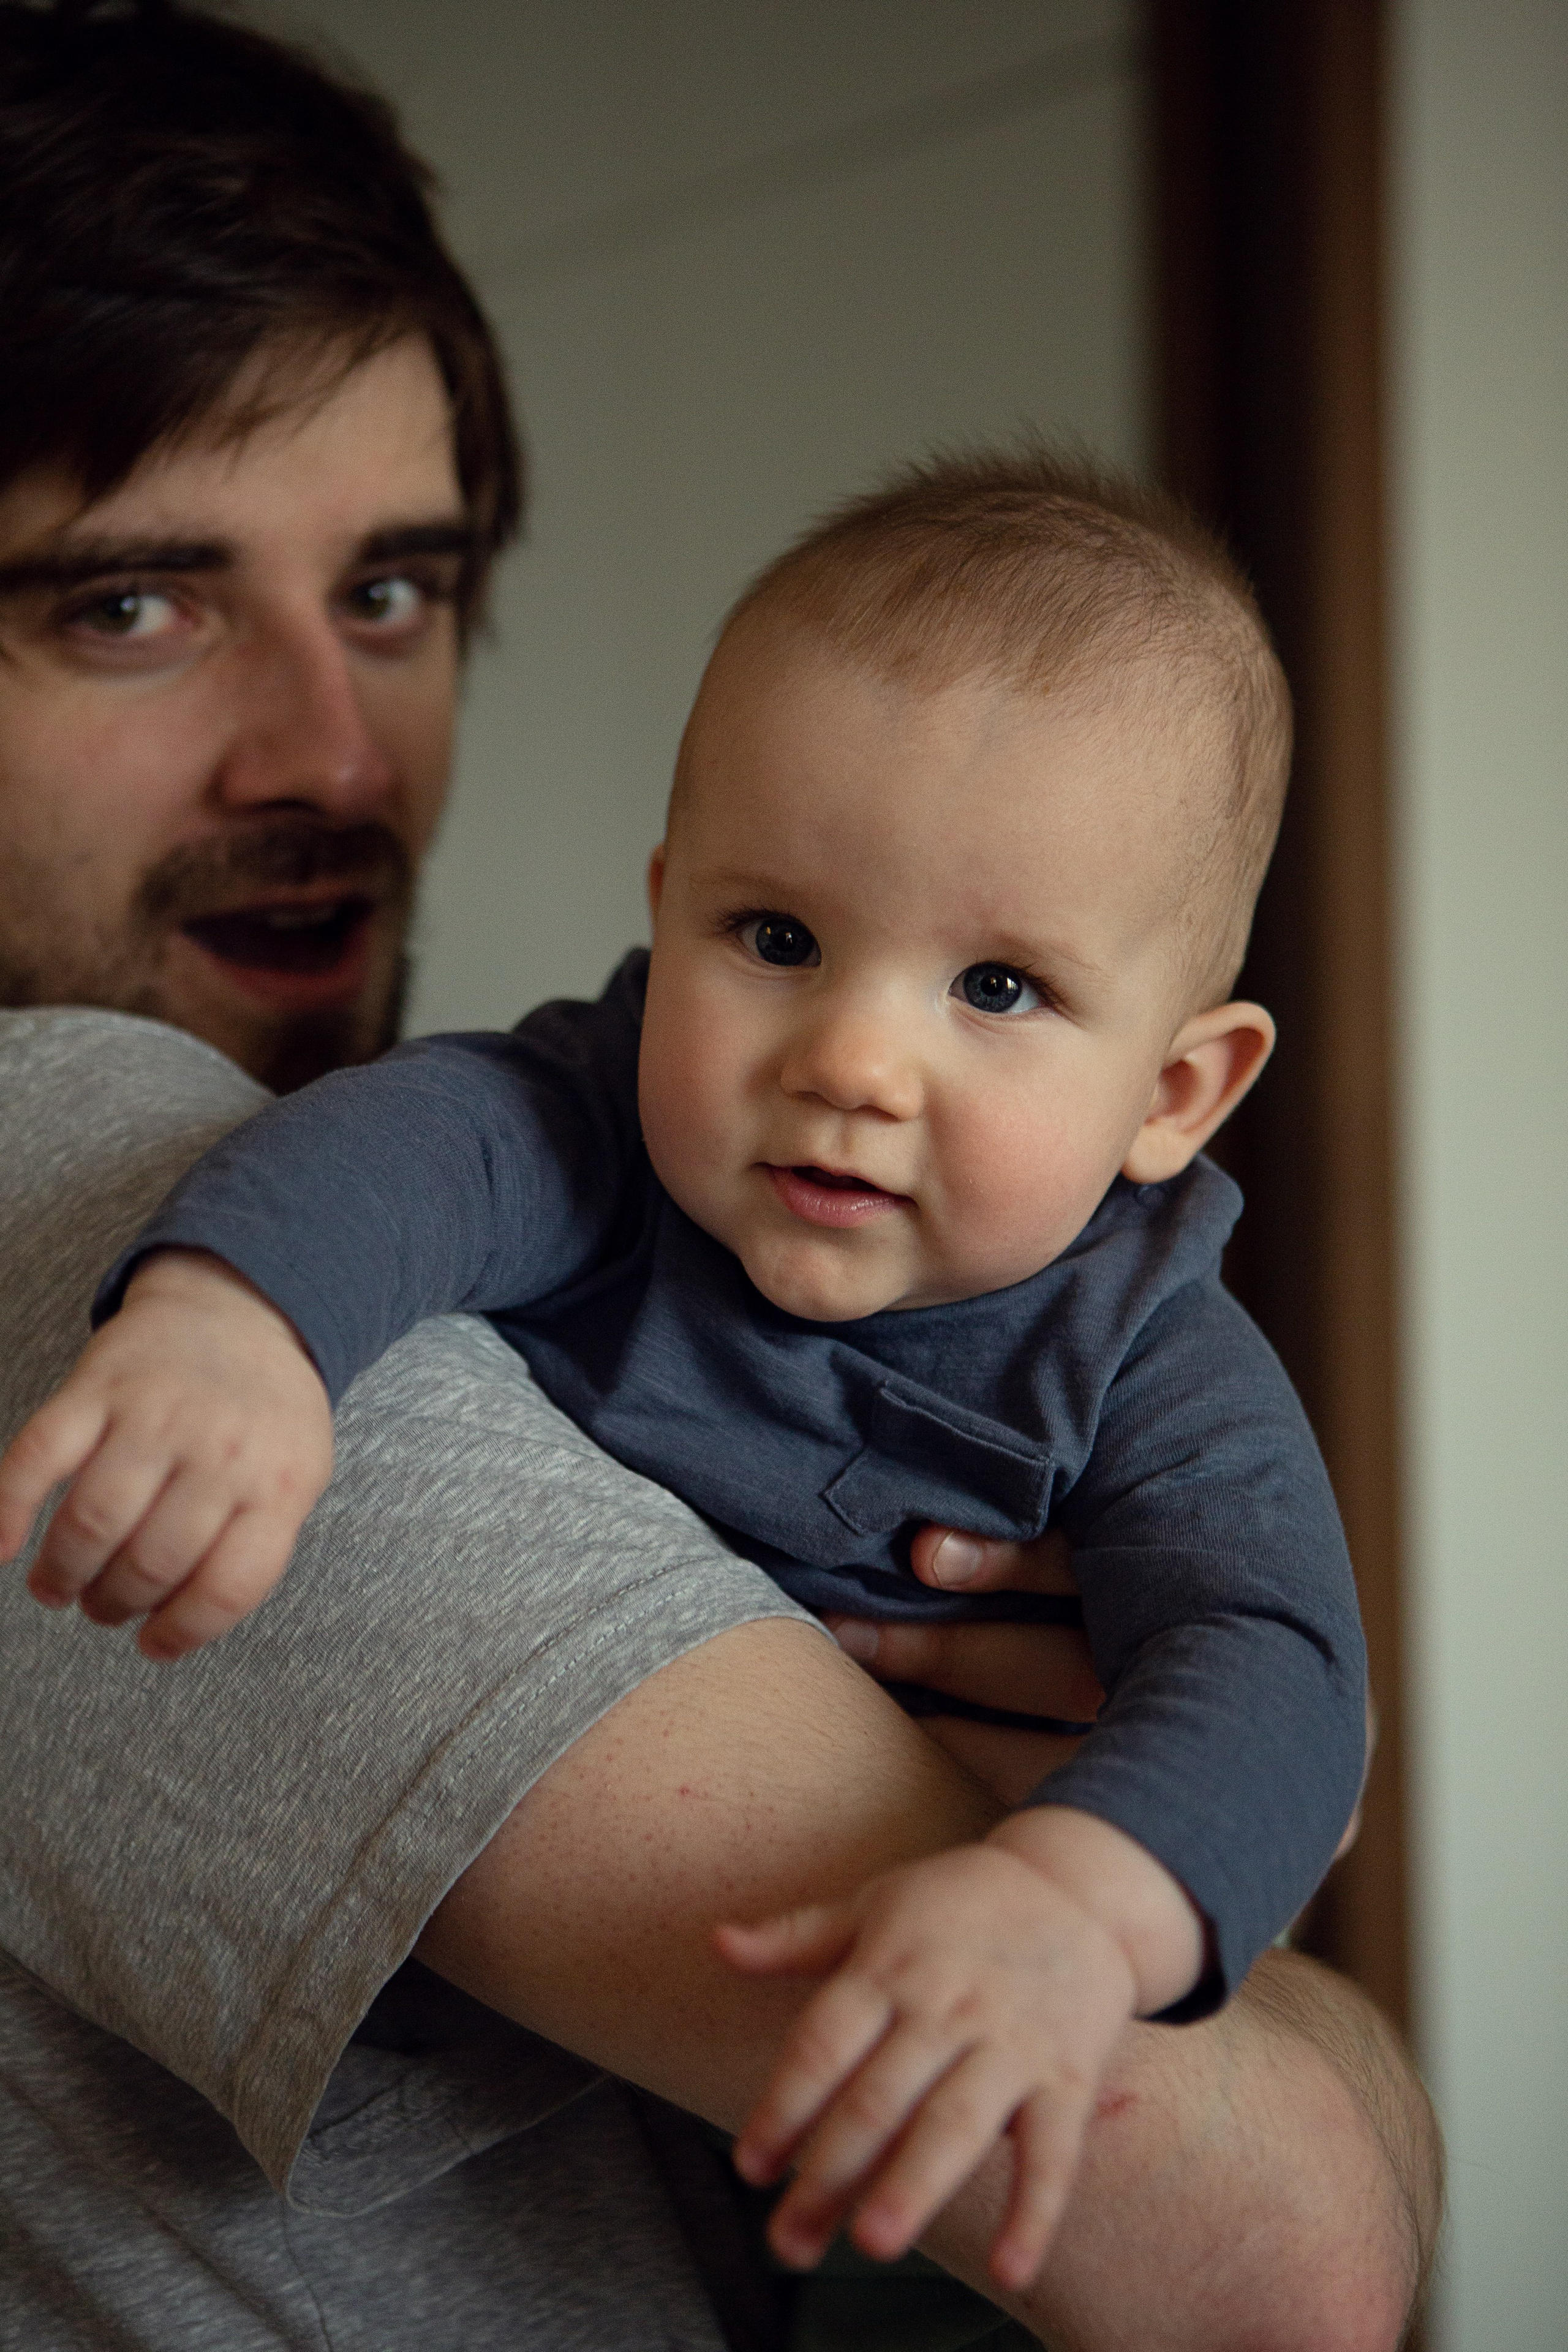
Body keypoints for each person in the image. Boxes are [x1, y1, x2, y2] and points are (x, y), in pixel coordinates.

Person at [0, 2, 1440, 2346]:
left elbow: (1279, 1677)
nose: (333, 755)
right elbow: (1283, 2243)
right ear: (672, 903)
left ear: (1182, 1090)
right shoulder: (123, 1151)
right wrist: (225, 1323)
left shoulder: (1129, 1344)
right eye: (127, 603)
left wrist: (1106, 1879)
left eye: (390, 591)